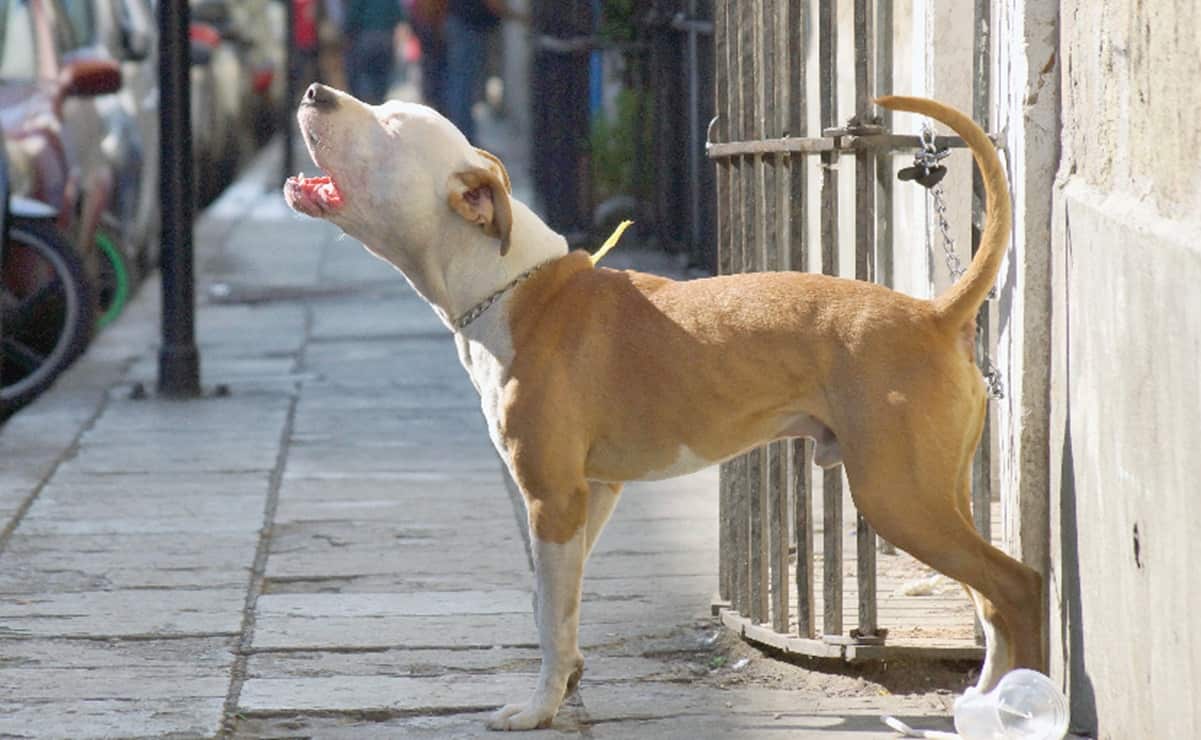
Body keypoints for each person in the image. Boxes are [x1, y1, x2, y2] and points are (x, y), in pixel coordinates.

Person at [442, 0, 518, 142]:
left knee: (461, 85)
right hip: (468, 25)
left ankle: (462, 137)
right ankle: (463, 139)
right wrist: (519, 17)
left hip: (465, 23)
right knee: (463, 87)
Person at [344, 0, 406, 104]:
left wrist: (347, 35)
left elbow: (352, 18)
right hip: (386, 38)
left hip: (365, 38)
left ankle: (366, 104)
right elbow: (399, 17)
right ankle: (379, 102)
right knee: (382, 76)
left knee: (364, 75)